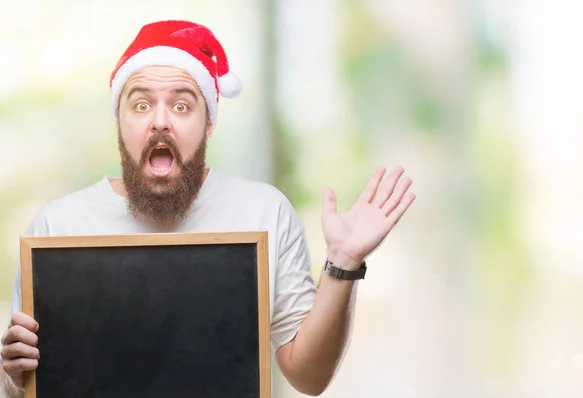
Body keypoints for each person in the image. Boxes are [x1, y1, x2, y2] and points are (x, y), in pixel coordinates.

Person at [0, 20, 415, 397]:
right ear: (119, 121)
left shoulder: (263, 211)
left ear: (209, 123)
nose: (160, 122)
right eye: (141, 105)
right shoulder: (58, 225)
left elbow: (309, 377)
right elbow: (28, 385)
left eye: (181, 106)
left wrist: (342, 263)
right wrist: (13, 379)